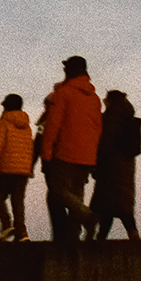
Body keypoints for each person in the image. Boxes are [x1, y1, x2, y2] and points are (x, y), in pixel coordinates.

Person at [39, 55, 102, 242]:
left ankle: (88, 217)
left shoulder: (64, 93)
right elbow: (98, 128)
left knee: (58, 190)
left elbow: (53, 125)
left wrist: (46, 152)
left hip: (65, 152)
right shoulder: (95, 98)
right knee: (77, 194)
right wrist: (94, 154)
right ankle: (74, 238)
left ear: (69, 71)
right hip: (87, 156)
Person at [90, 90, 141, 239]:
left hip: (109, 168)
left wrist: (94, 163)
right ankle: (133, 237)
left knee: (104, 205)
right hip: (125, 168)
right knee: (122, 206)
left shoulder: (110, 119)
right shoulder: (128, 119)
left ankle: (99, 239)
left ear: (110, 101)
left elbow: (102, 144)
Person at [0, 94, 34, 241]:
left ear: (6, 106)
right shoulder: (27, 126)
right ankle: (22, 233)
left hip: (7, 168)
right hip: (23, 170)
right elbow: (29, 147)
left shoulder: (4, 123)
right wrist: (28, 167)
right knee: (18, 201)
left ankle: (6, 226)